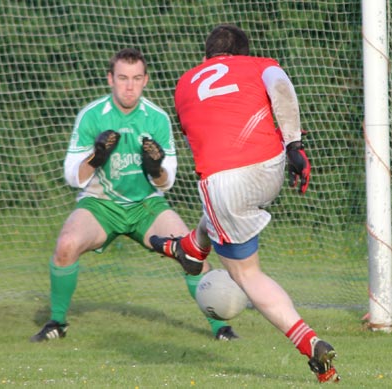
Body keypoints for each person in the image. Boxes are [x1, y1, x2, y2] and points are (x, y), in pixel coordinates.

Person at [150, 25, 340, 383]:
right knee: (223, 214)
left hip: (223, 181)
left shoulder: (184, 83)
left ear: (206, 57)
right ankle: (191, 247)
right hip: (270, 167)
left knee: (246, 274)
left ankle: (309, 343)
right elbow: (281, 88)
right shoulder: (259, 64)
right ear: (242, 53)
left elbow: (196, 131)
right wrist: (295, 145)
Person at [30, 48, 238, 343]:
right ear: (110, 79)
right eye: (123, 78)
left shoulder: (157, 118)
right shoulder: (92, 115)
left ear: (146, 80)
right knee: (66, 245)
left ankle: (222, 330)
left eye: (136, 78)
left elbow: (167, 182)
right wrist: (96, 157)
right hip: (101, 204)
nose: (129, 86)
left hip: (146, 205)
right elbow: (72, 177)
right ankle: (57, 323)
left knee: (192, 253)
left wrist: (154, 168)